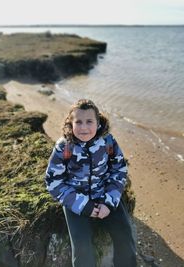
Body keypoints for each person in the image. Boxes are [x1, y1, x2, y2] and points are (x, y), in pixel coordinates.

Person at [45, 99, 136, 267]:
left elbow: (119, 170)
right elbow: (53, 182)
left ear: (98, 122)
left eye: (89, 121)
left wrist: (108, 202)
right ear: (70, 123)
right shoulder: (64, 147)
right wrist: (83, 205)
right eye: (78, 122)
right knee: (81, 246)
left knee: (125, 235)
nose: (84, 128)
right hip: (75, 200)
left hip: (104, 194)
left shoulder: (108, 141)